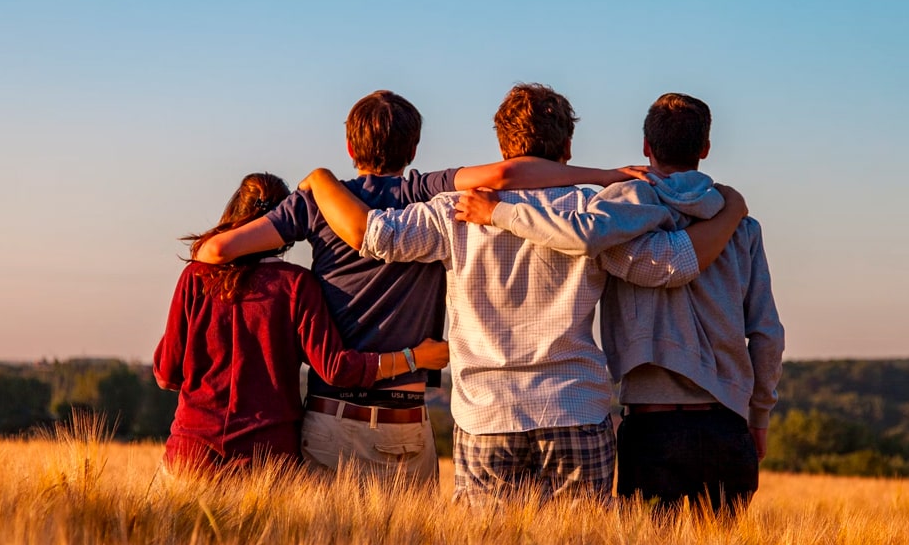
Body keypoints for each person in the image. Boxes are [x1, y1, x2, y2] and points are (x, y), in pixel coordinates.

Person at [300, 84, 747, 505]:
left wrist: (320, 180)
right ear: (567, 149)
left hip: (486, 415)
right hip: (574, 407)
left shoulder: (453, 211)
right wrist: (730, 213)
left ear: (502, 148)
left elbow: (375, 236)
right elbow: (669, 265)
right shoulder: (593, 212)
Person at [191, 90, 640, 485]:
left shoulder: (316, 202)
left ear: (350, 146)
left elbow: (214, 253)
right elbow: (505, 177)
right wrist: (605, 176)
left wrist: (314, 186)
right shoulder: (426, 192)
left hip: (331, 415)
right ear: (414, 146)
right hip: (407, 418)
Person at [458, 93, 784, 514]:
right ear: (704, 149)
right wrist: (759, 415)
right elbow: (766, 333)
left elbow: (580, 235)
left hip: (651, 426)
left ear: (646, 147)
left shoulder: (619, 213)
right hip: (727, 423)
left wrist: (499, 212)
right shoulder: (742, 227)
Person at [153, 172, 449, 477]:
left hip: (192, 453)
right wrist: (415, 358)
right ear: (285, 225)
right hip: (268, 460)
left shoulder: (196, 277)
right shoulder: (296, 285)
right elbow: (336, 369)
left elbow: (167, 373)